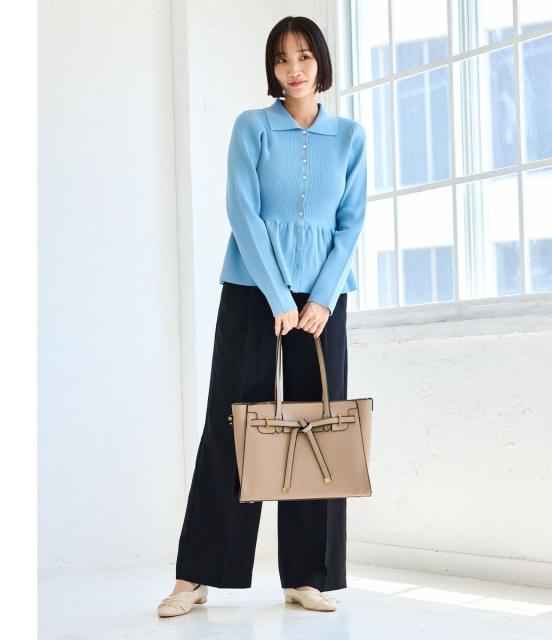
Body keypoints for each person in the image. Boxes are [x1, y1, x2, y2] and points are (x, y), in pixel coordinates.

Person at [157, 15, 367, 617]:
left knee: (317, 423)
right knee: (233, 422)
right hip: (254, 291)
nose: (293, 69)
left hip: (324, 299)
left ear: (321, 61)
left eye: (304, 56)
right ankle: (197, 576)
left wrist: (320, 299)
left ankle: (308, 575)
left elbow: (351, 222)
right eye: (281, 59)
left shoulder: (350, 137)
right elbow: (242, 212)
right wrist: (279, 297)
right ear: (271, 69)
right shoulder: (252, 126)